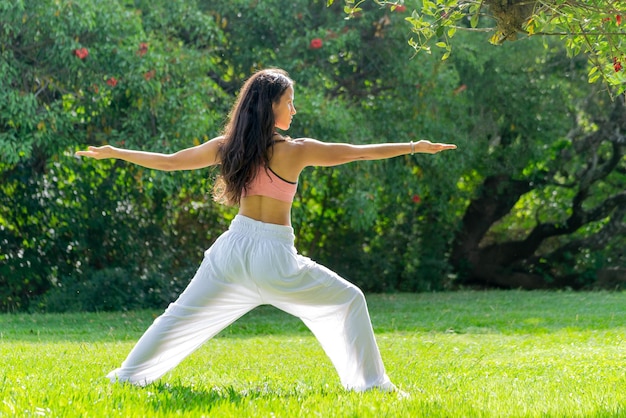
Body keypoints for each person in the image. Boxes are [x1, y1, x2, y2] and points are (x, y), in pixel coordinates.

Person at [76, 68, 456, 394]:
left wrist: (117, 152)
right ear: (272, 105)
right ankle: (373, 386)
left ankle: (126, 377)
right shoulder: (295, 150)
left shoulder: (229, 146)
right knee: (350, 299)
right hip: (273, 257)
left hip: (232, 250)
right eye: (290, 101)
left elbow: (171, 163)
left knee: (178, 316)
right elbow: (356, 151)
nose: (294, 108)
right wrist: (414, 146)